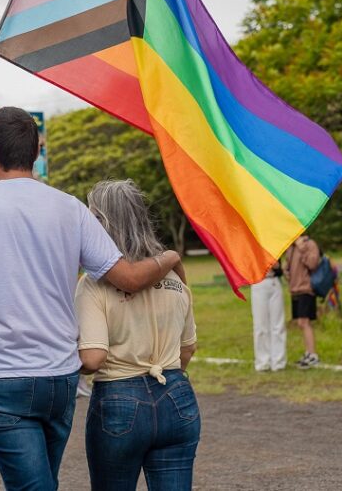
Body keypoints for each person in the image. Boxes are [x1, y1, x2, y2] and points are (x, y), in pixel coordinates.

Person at [0, 106, 183, 490]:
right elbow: (128, 277)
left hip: (4, 379)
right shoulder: (70, 207)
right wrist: (169, 256)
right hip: (59, 379)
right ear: (36, 151)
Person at [74, 180, 199, 490]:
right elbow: (189, 348)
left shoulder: (93, 285)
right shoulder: (173, 277)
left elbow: (93, 357)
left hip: (118, 397)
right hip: (176, 393)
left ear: (102, 223)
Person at [285, 234, 321, 369]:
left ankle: (313, 355)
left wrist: (302, 248)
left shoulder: (310, 244)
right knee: (301, 323)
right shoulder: (290, 247)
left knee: (304, 322)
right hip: (295, 290)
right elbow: (288, 267)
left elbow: (312, 264)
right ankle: (308, 352)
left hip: (306, 289)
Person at [250, 261, 286, 372]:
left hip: (274, 281)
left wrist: (277, 266)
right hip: (258, 283)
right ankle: (262, 362)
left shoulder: (272, 246)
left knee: (278, 325)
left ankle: (278, 362)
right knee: (260, 325)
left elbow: (280, 269)